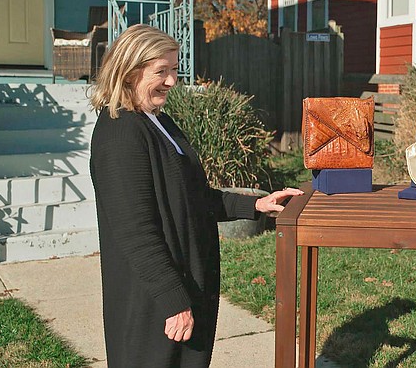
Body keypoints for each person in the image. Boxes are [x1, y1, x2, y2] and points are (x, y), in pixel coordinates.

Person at [89, 24, 303, 367]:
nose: (172, 81)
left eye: (175, 69)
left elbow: (193, 196)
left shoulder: (156, 120)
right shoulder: (120, 135)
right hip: (152, 302)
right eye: (162, 71)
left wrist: (256, 205)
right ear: (129, 73)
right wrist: (172, 299)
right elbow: (135, 232)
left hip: (185, 284)